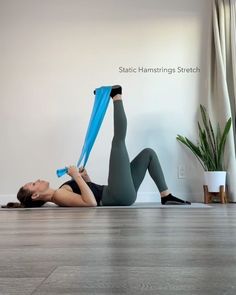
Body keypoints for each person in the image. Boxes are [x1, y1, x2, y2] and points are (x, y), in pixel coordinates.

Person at [2, 85, 191, 208]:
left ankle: (165, 195)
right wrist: (75, 175)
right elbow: (91, 203)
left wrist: (84, 177)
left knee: (148, 154)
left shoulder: (61, 192)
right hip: (116, 196)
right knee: (118, 142)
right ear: (35, 195)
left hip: (119, 194)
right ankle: (116, 96)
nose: (37, 180)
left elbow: (90, 192)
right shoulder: (58, 196)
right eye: (34, 184)